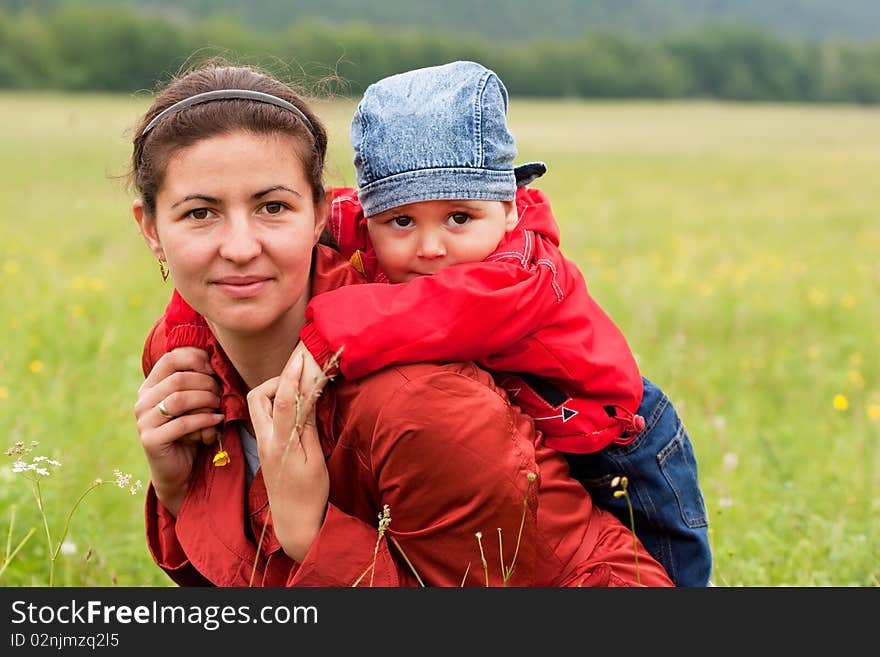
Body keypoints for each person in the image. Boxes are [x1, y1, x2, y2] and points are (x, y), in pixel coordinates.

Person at [129, 61, 675, 587]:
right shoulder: (184, 365)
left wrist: (314, 537)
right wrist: (179, 489)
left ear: (320, 213)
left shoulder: (425, 407)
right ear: (151, 228)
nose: (242, 248)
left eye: (272, 207)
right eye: (200, 213)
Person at [296, 61, 711, 586]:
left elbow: (443, 309)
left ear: (510, 207)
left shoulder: (523, 271)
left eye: (459, 218)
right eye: (401, 221)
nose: (430, 248)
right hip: (532, 431)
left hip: (616, 445)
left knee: (670, 572)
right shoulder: (384, 228)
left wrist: (322, 339)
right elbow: (323, 218)